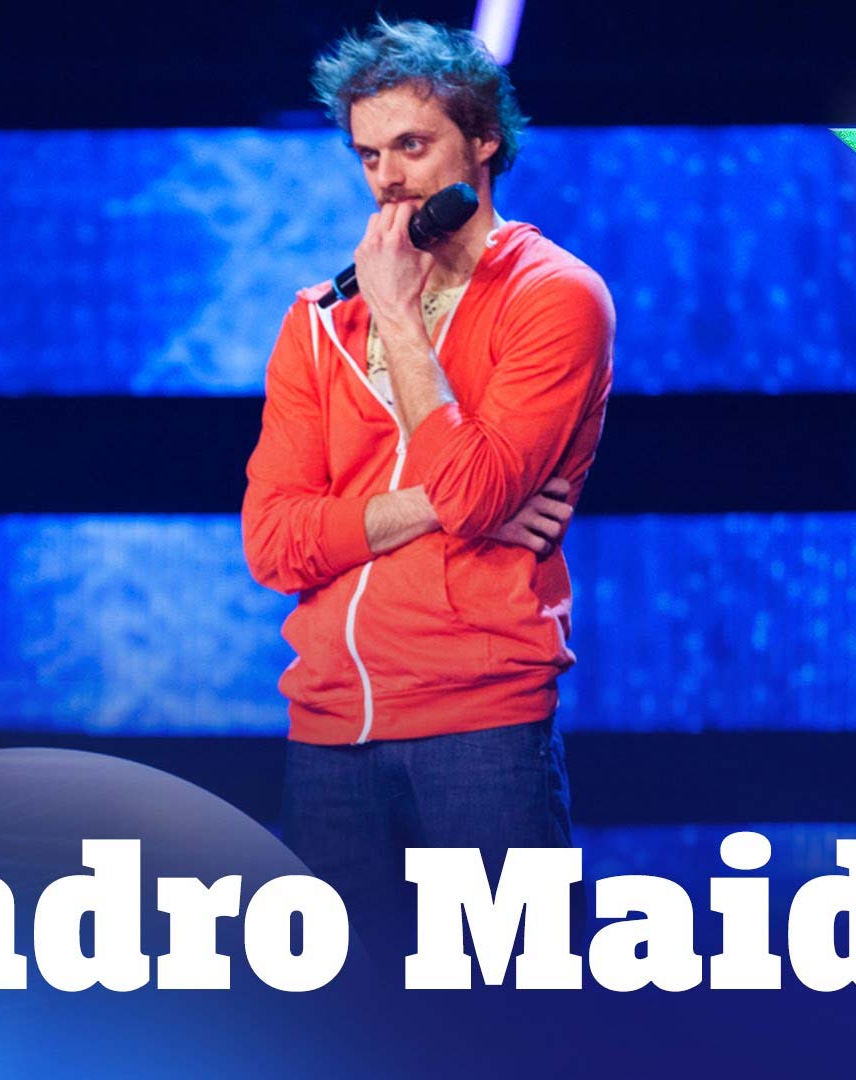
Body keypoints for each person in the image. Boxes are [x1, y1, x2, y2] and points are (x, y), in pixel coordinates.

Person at [241, 18, 614, 962]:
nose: (388, 180)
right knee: (344, 1024)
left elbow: (480, 491)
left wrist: (400, 315)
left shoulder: (554, 296)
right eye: (369, 155)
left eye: (411, 146)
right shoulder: (318, 320)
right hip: (328, 729)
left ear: (482, 139)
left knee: (507, 1016)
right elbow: (274, 543)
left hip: (478, 724)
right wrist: (437, 508)